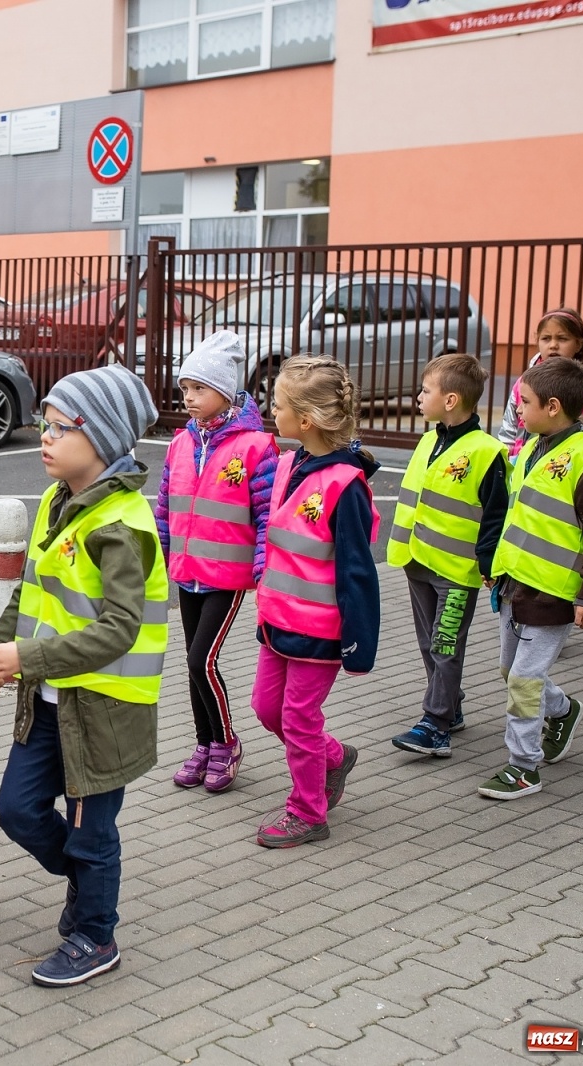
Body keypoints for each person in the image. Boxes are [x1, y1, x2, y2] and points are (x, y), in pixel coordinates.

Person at [0, 365, 167, 988]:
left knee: (91, 830)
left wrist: (25, 660)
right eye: (46, 425)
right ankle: (86, 885)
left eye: (60, 428)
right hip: (49, 702)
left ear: (102, 440)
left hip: (105, 709)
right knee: (16, 810)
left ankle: (95, 934)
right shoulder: (61, 503)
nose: (44, 437)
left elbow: (118, 631)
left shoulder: (121, 526)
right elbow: (32, 595)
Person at [253, 356, 380, 847]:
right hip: (277, 622)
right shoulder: (290, 463)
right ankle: (334, 757)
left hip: (319, 631)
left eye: (279, 405)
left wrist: (358, 643)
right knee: (268, 710)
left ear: (305, 420)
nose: (272, 411)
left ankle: (308, 812)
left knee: (298, 719)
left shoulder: (345, 486)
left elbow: (357, 572)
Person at [481, 357, 583, 799]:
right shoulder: (532, 447)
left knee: (524, 679)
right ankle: (562, 711)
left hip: (554, 593)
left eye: (524, 402)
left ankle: (524, 767)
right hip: (515, 585)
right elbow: (521, 519)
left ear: (554, 406)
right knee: (511, 671)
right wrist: (496, 569)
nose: (517, 409)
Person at [154, 331, 275, 792]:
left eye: (198, 389)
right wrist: (160, 556)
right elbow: (165, 506)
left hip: (226, 576)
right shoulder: (180, 445)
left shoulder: (255, 447)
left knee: (201, 659)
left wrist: (263, 570)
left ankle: (226, 742)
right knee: (191, 662)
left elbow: (266, 514)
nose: (188, 397)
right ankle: (204, 744)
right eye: (184, 388)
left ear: (225, 392)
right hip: (187, 573)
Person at [388, 354, 509, 757]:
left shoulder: (486, 451)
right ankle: (451, 708)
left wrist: (491, 566)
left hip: (457, 571)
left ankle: (435, 725)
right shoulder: (430, 439)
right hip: (417, 560)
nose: (419, 397)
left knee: (445, 645)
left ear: (452, 399)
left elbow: (495, 515)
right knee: (429, 644)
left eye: (426, 391)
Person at [496, 310, 583, 459]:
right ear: (537, 340)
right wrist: (505, 470)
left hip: (574, 470)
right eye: (546, 338)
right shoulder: (523, 384)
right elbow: (508, 433)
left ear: (578, 344)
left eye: (562, 339)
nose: (553, 345)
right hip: (525, 468)